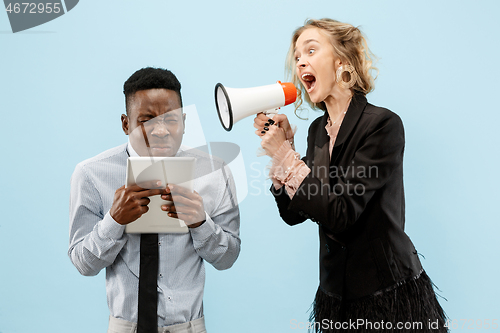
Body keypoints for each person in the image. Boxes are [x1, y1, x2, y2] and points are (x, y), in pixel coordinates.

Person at [254, 19, 447, 332]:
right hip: (335, 296)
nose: (300, 60)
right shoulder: (318, 131)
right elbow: (295, 214)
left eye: (311, 50)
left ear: (341, 62)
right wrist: (284, 150)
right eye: (297, 56)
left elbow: (342, 212)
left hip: (386, 294)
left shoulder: (383, 125)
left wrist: (287, 158)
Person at [69, 67, 240, 333]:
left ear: (183, 121)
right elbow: (82, 263)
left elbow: (228, 258)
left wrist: (200, 223)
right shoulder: (91, 174)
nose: (160, 130)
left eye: (171, 120)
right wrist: (114, 221)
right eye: (147, 120)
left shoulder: (215, 172)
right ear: (126, 123)